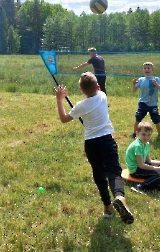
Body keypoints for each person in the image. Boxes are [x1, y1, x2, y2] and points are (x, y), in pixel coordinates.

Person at [54, 72, 134, 224]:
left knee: (98, 174)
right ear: (98, 87)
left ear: (81, 91)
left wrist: (60, 99)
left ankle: (107, 207)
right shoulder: (102, 95)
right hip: (107, 141)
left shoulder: (80, 106)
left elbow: (64, 119)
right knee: (114, 172)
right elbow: (92, 91)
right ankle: (119, 197)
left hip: (91, 144)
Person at [125, 122, 160, 193]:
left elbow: (149, 161)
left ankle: (155, 179)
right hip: (136, 170)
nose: (146, 137)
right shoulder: (138, 146)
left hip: (142, 166)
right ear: (137, 133)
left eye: (149, 135)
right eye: (143, 134)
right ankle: (140, 187)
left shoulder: (146, 144)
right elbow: (141, 165)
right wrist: (158, 169)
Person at [131, 62, 160, 140]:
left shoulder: (156, 79)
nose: (147, 70)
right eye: (145, 68)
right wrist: (133, 84)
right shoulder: (140, 79)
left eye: (148, 68)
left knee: (156, 120)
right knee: (138, 118)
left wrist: (156, 84)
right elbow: (134, 91)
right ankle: (134, 133)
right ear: (143, 70)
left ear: (152, 70)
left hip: (153, 104)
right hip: (142, 103)